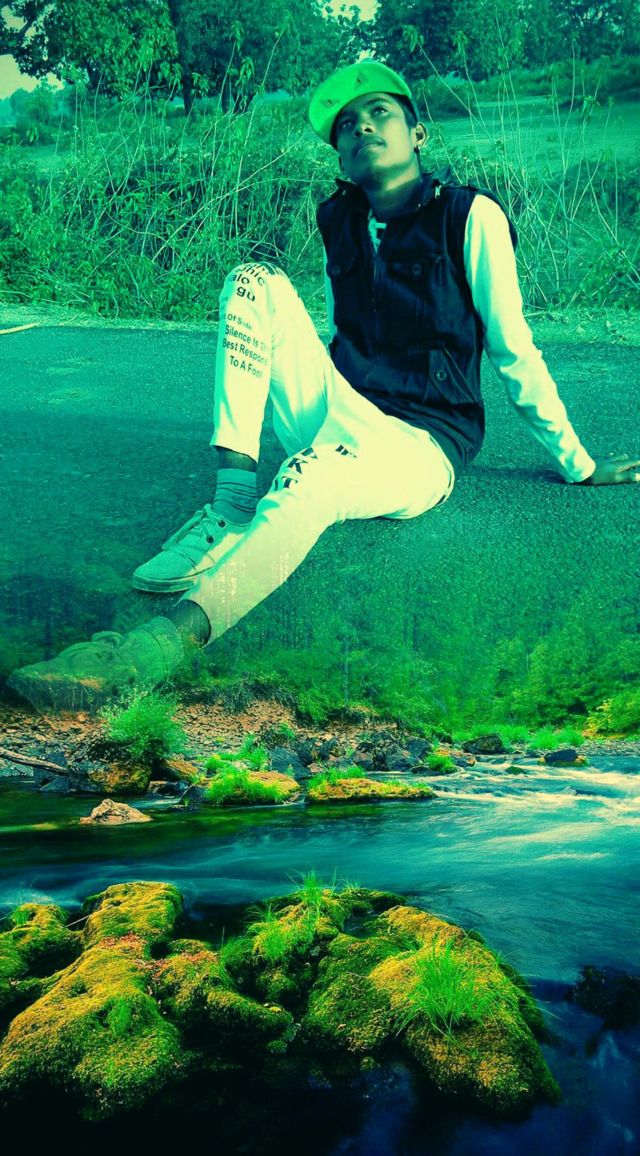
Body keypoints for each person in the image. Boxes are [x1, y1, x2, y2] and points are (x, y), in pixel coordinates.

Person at [8, 60, 640, 712]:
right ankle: (232, 505)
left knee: (309, 476)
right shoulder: (337, 217)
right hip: (339, 406)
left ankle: (147, 651)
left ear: (418, 134)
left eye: (379, 113)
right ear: (339, 152)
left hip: (420, 445)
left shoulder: (470, 216)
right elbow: (343, 329)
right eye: (346, 124)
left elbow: (514, 350)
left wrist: (579, 464)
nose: (361, 127)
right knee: (252, 280)